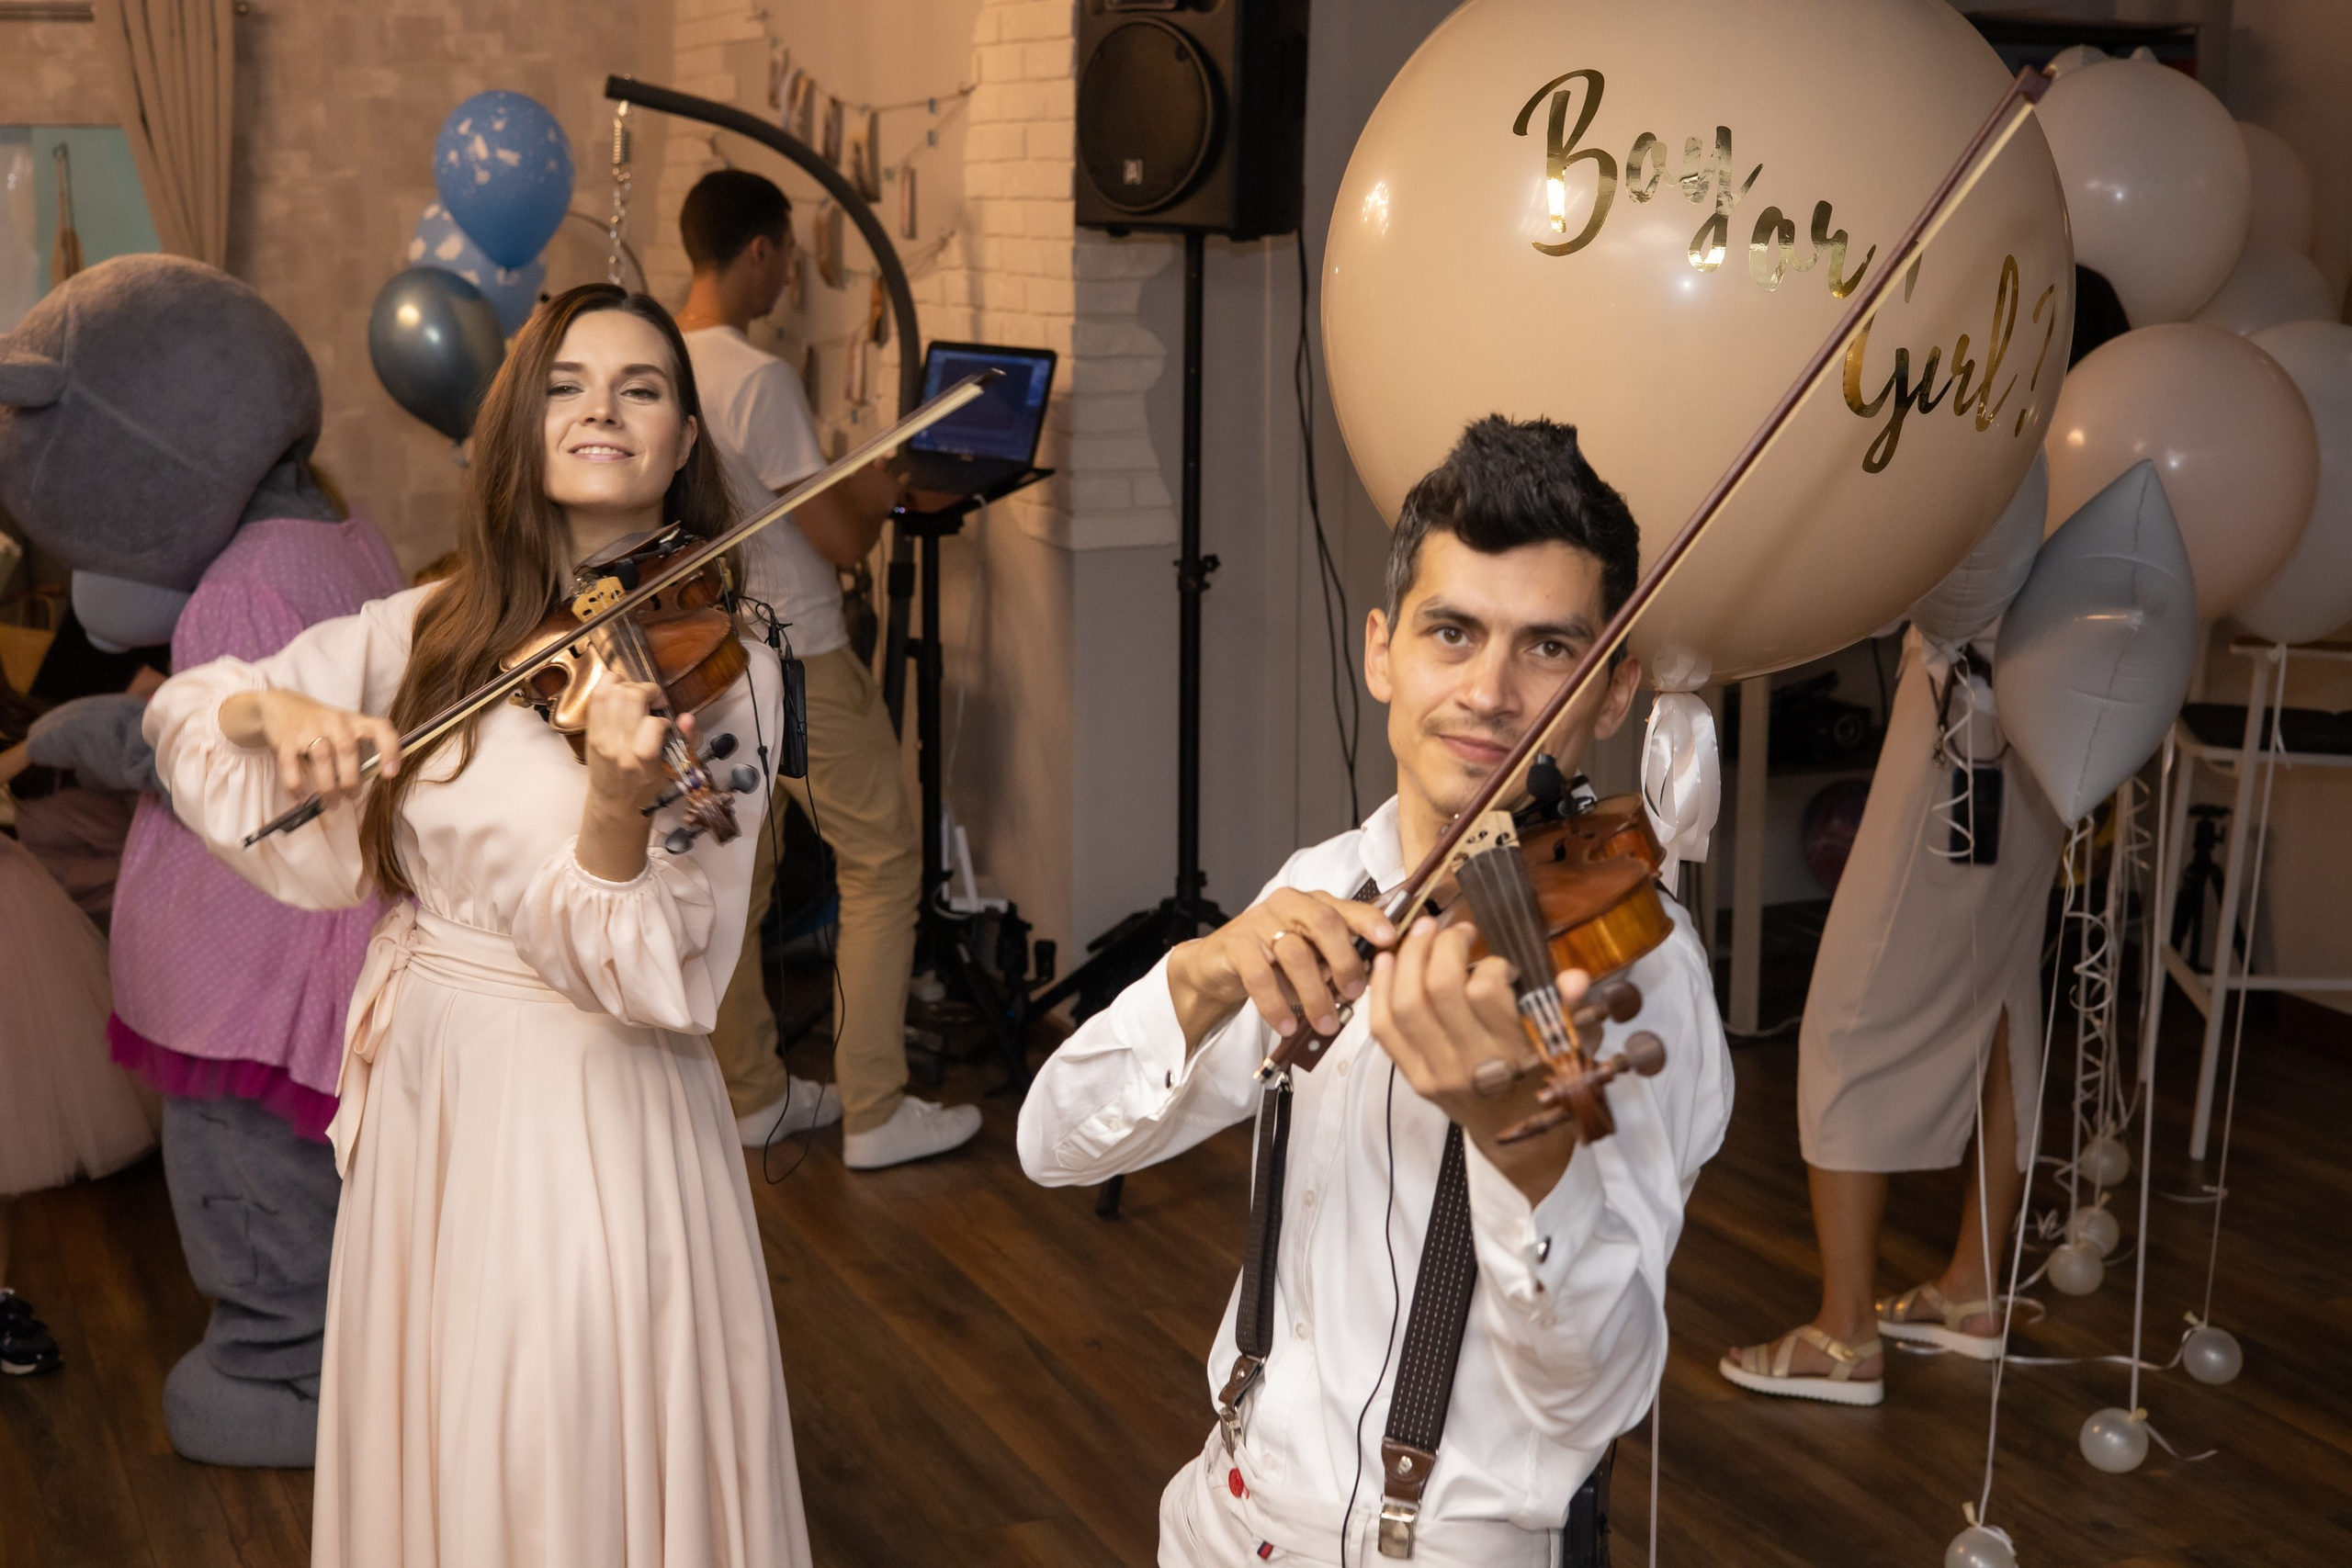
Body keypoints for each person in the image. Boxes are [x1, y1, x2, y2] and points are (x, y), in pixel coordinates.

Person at [143, 285, 808, 1565]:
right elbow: (190, 713)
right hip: (434, 1089)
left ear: (682, 444)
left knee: (562, 1438)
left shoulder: (722, 667)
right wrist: (274, 719)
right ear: (521, 426)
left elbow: (663, 964)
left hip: (589, 1107)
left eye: (642, 386)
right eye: (566, 383)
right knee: (445, 1426)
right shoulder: (439, 631)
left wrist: (617, 800)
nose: (603, 408)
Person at [1019, 417, 1735, 1566]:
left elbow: (1595, 1397)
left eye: (1548, 649)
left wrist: (1525, 1153)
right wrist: (1200, 973)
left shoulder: (1629, 967)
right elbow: (1054, 1145)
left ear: (1612, 695)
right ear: (1379, 654)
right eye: (1451, 632)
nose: (1490, 693)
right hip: (1219, 1518)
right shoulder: (1321, 888)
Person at [673, 167, 980, 1170]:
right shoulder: (759, 378)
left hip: (713, 663)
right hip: (797, 658)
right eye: (788, 253)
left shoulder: (663, 367)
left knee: (736, 885)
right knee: (884, 863)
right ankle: (878, 1112)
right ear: (756, 251)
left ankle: (754, 1095)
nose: (792, 272)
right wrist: (883, 488)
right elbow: (839, 541)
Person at [1720, 626, 2064, 1404]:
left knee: (1850, 1010)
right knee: (2006, 986)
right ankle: (1972, 1290)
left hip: (1969, 703)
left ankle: (1844, 1332)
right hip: (2054, 701)